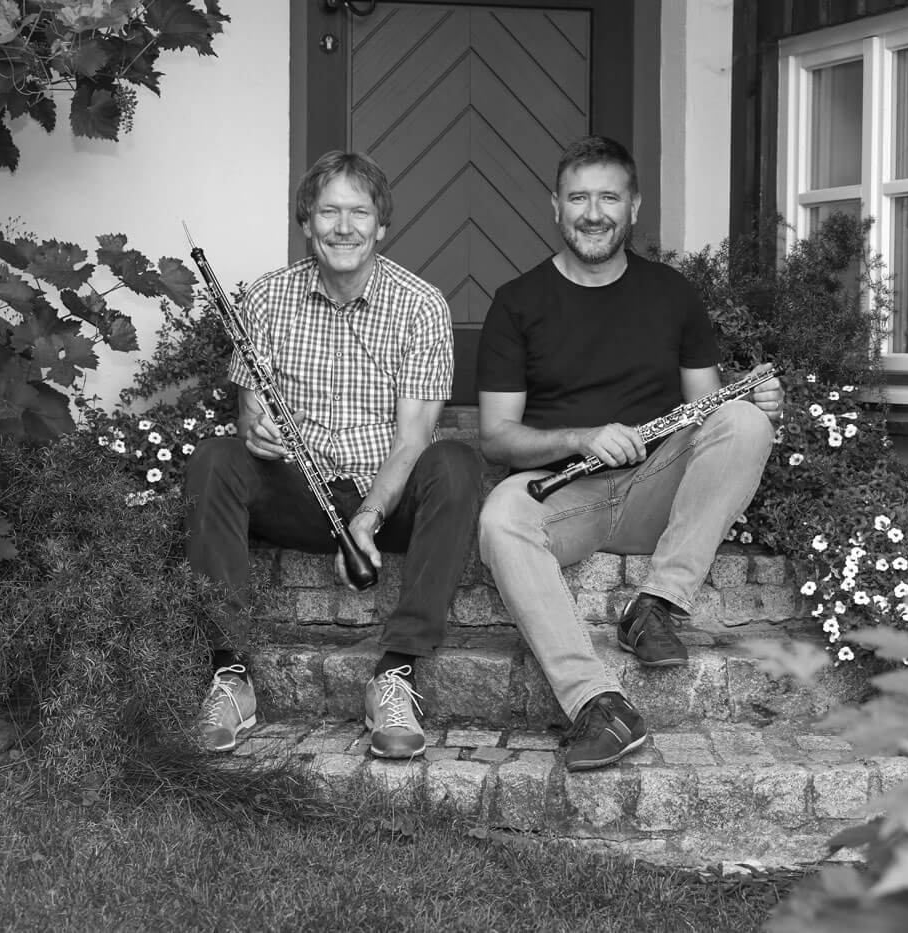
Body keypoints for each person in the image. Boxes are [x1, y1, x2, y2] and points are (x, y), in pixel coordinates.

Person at [475, 136, 783, 772]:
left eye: (609, 196)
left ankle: (655, 606)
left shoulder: (672, 294)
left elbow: (709, 412)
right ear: (555, 207)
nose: (594, 212)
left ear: (634, 206)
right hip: (565, 491)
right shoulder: (516, 302)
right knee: (500, 519)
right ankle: (599, 706)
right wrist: (577, 439)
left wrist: (755, 402)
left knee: (745, 420)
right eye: (579, 197)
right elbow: (496, 435)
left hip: (655, 489)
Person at [184, 151, 480, 757]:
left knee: (457, 464)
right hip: (298, 490)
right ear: (305, 223)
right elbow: (249, 416)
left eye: (359, 213)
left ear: (381, 226)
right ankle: (230, 674)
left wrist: (367, 519)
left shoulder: (422, 305)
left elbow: (412, 442)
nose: (344, 227)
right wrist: (255, 434)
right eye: (328, 212)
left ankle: (396, 674)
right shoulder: (266, 299)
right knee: (214, 458)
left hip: (384, 498)